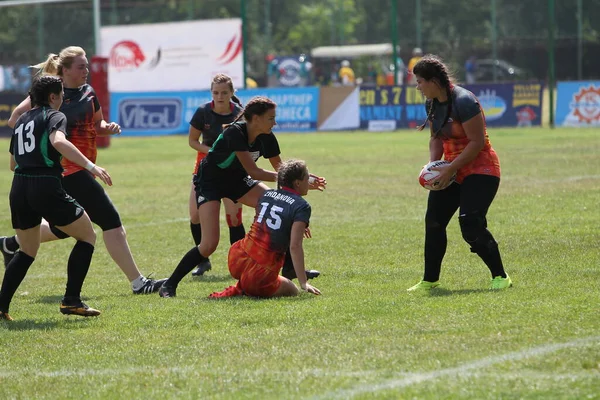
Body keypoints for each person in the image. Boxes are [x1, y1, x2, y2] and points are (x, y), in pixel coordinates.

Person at [0, 46, 166, 295]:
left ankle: (11, 244)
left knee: (66, 228)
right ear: (64, 71)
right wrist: (46, 138)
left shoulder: (89, 91)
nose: (86, 71)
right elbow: (15, 119)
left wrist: (106, 127)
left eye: (87, 66)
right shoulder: (51, 93)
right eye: (81, 66)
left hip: (82, 169)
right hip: (68, 171)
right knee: (111, 221)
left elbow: (95, 123)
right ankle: (138, 282)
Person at [159, 96, 326, 298]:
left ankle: (289, 269)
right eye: (271, 118)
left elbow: (280, 171)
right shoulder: (235, 132)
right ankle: (170, 284)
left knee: (281, 206)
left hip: (237, 180)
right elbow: (255, 172)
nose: (275, 123)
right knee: (209, 244)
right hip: (210, 182)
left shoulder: (268, 136)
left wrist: (298, 191)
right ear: (255, 118)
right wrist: (296, 180)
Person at [0, 76, 111, 320]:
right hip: (45, 185)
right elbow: (58, 141)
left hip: (19, 186)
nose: (63, 99)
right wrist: (91, 166)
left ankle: (1, 308)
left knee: (27, 250)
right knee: (88, 235)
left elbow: (12, 163)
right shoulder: (54, 116)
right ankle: (71, 300)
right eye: (61, 95)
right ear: (52, 97)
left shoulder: (21, 121)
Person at [407, 54, 511, 292]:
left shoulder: (464, 101)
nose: (418, 86)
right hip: (451, 170)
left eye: (420, 81)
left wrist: (449, 168)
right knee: (434, 221)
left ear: (433, 81)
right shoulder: (432, 103)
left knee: (470, 223)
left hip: (481, 167)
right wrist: (433, 166)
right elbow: (435, 137)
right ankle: (430, 280)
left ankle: (501, 276)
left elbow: (476, 143)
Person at [209, 159, 321, 298]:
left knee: (256, 263)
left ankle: (244, 284)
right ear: (297, 183)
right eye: (307, 178)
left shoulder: (266, 194)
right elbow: (295, 246)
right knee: (293, 290)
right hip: (259, 273)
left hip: (237, 257)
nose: (308, 182)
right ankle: (245, 287)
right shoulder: (302, 206)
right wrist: (303, 282)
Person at [187, 73, 244, 277]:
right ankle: (203, 261)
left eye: (224, 93)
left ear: (231, 93)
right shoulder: (203, 112)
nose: (219, 96)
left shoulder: (239, 113)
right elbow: (192, 140)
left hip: (231, 172)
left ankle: (239, 262)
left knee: (234, 218)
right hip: (204, 170)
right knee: (195, 216)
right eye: (215, 92)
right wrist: (210, 152)